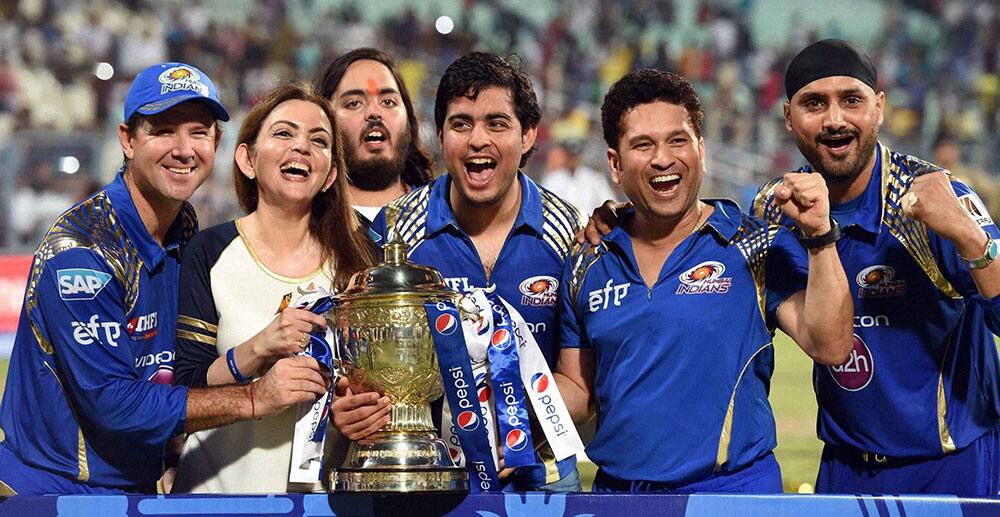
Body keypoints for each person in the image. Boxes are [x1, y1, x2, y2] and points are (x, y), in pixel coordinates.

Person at [0, 63, 329, 496]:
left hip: (132, 488)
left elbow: (174, 369)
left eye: (198, 131)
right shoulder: (82, 252)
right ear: (127, 140)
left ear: (216, 142)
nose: (183, 149)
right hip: (51, 491)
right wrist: (255, 398)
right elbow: (115, 404)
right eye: (163, 130)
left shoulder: (184, 227)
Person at [554, 69, 852, 493]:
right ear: (615, 165)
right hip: (618, 498)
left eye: (678, 140)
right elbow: (578, 393)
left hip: (732, 495)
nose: (662, 158)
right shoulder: (587, 260)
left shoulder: (754, 245)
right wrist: (499, 404)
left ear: (702, 150)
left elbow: (832, 345)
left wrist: (821, 238)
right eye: (643, 145)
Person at [751, 39, 1000, 496]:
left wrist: (969, 237)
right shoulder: (775, 211)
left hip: (952, 466)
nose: (834, 119)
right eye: (813, 103)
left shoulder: (933, 199)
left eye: (851, 100)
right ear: (788, 116)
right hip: (843, 470)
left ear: (879, 107)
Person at [332, 52, 583, 492]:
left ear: (528, 136)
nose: (477, 140)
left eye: (497, 123)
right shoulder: (394, 231)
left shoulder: (568, 231)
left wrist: (516, 426)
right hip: (426, 478)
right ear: (441, 135)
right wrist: (351, 407)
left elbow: (579, 384)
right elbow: (363, 368)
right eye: (461, 123)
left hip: (539, 478)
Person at [171, 83, 374, 493]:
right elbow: (181, 391)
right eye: (283, 133)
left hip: (325, 503)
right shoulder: (208, 251)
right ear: (247, 159)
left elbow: (379, 388)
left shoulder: (362, 257)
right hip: (215, 498)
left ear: (330, 173)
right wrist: (259, 348)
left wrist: (358, 413)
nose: (301, 147)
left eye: (319, 141)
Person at [315, 48, 433, 226]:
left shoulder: (448, 219)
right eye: (354, 103)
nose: (374, 112)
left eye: (388, 102)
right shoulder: (304, 232)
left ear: (409, 119)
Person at [541, 139, 618, 215]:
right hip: (563, 224)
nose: (572, 160)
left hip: (590, 223)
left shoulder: (594, 178)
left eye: (575, 156)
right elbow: (545, 207)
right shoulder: (552, 180)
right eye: (570, 156)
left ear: (579, 156)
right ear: (565, 156)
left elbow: (609, 203)